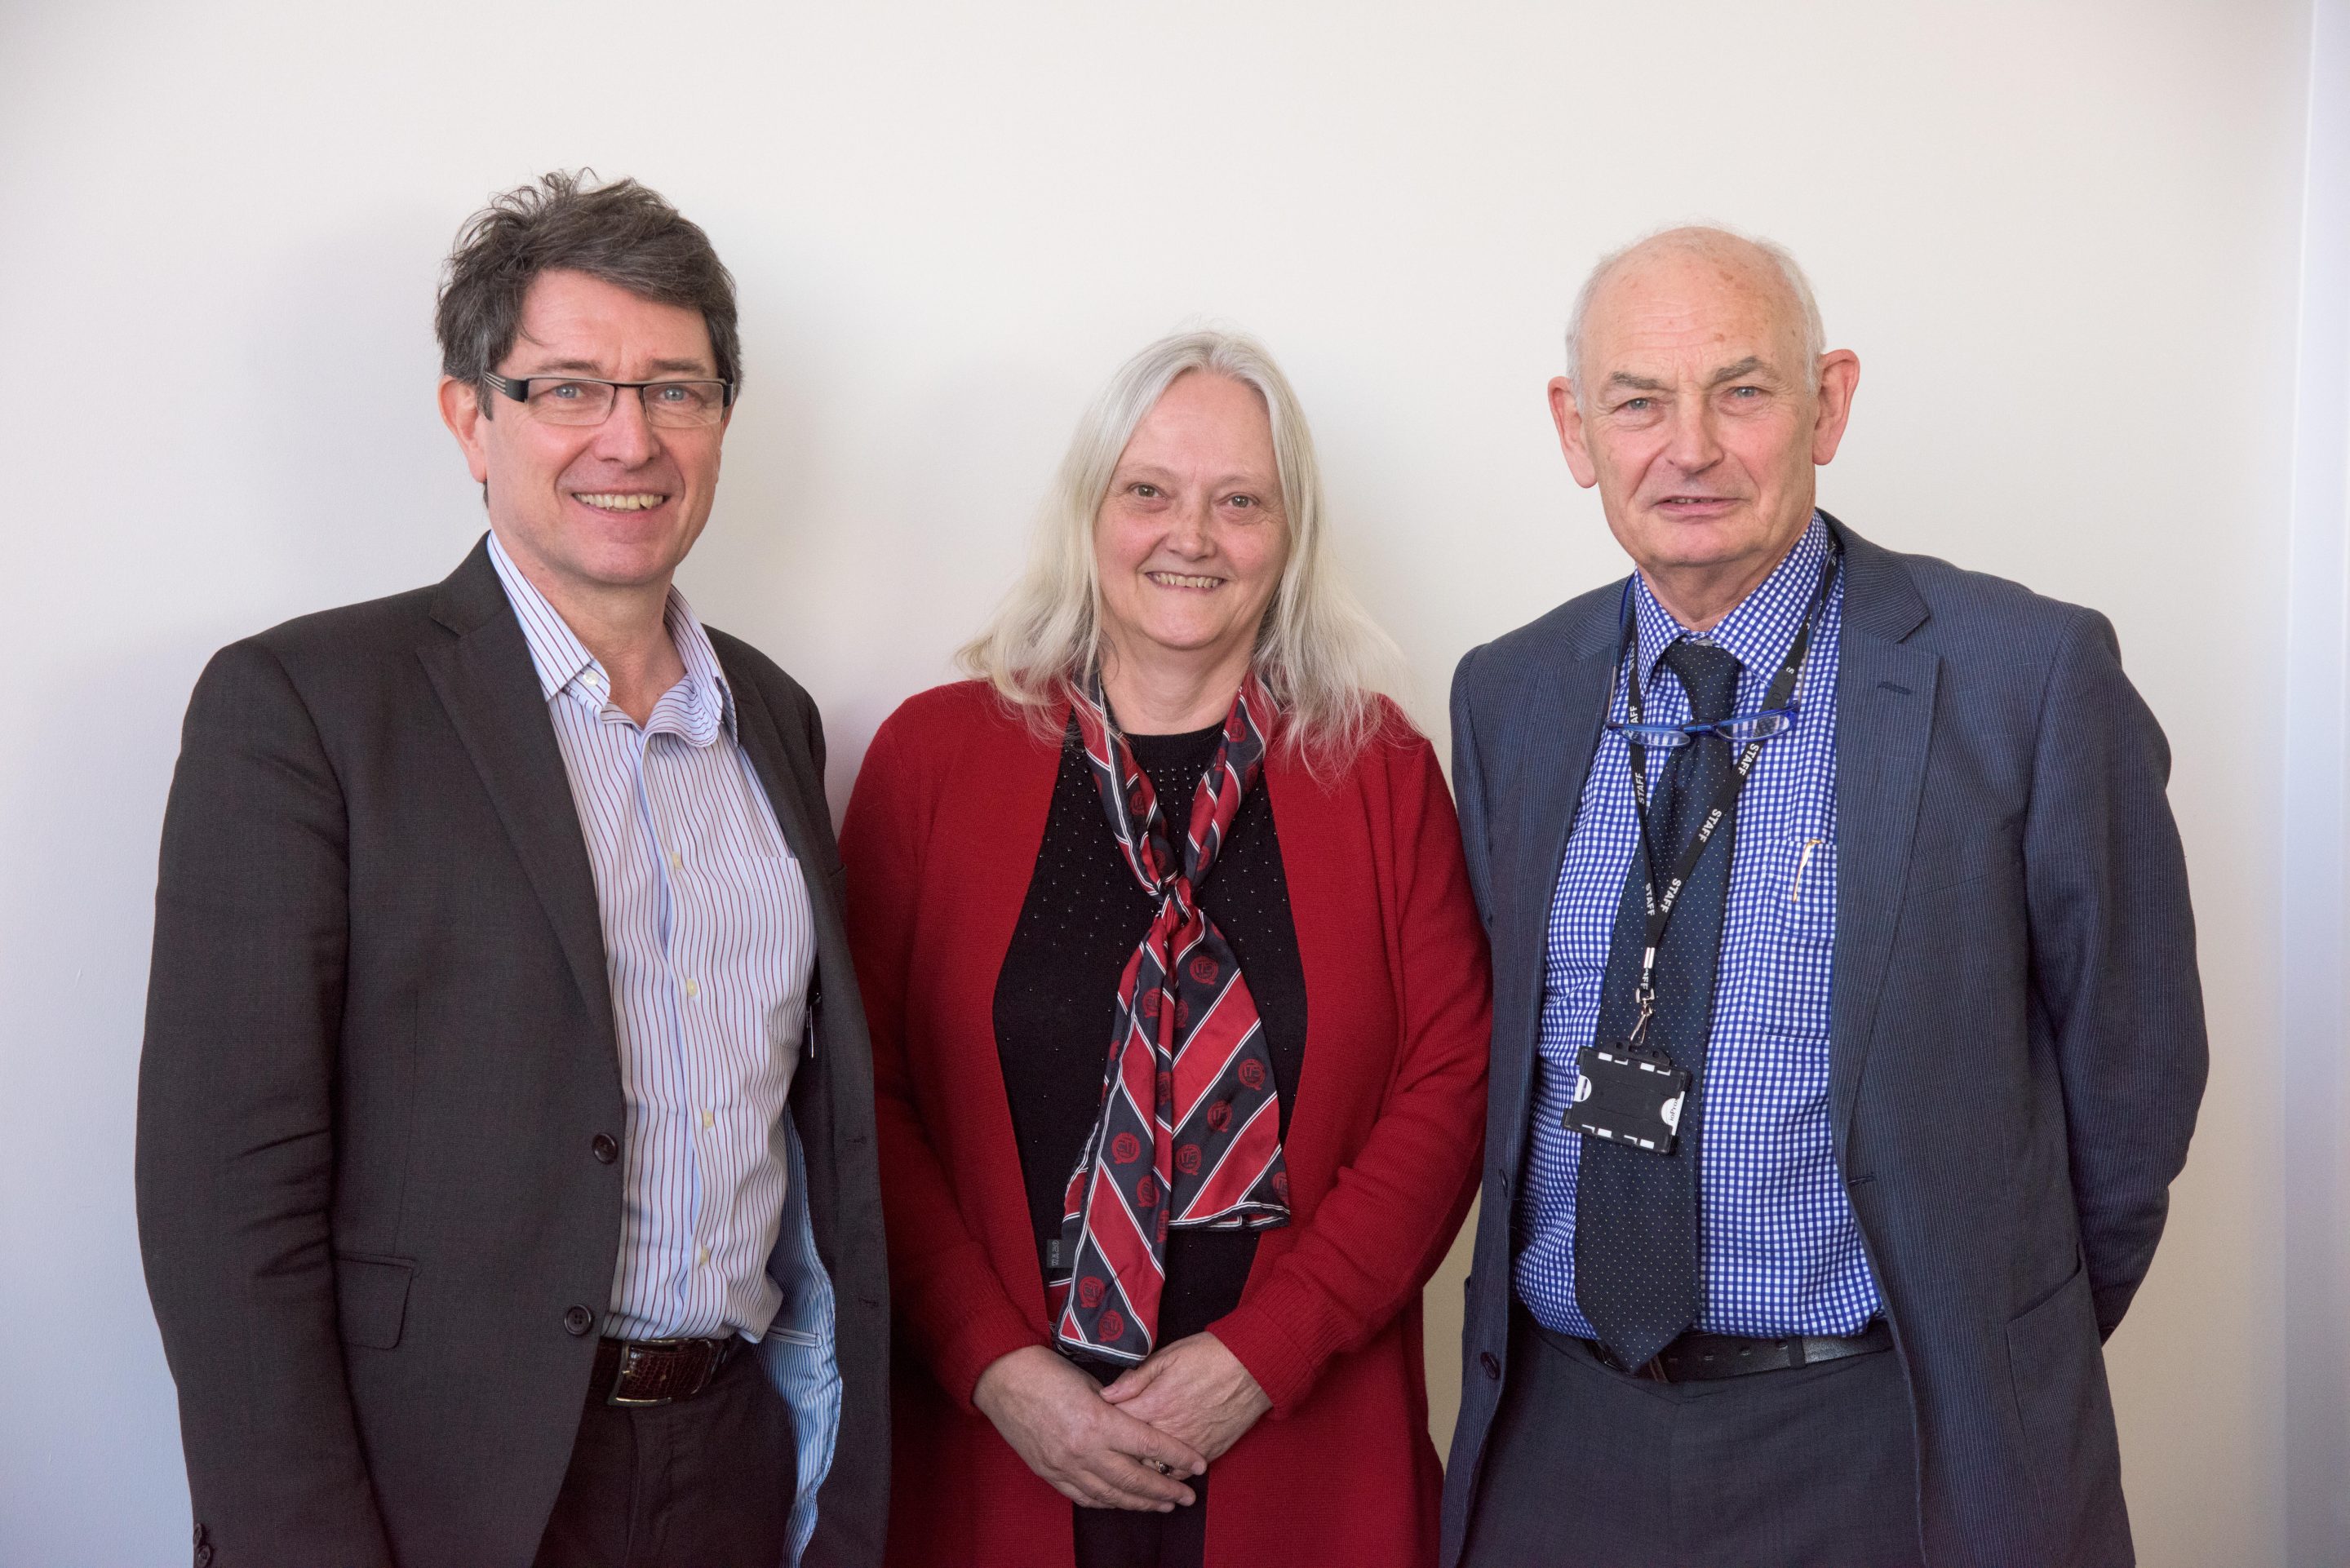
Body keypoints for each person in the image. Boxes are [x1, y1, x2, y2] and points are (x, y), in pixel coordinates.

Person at [135, 172, 887, 1568]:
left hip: (733, 1460)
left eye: (677, 388)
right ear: (469, 416)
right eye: (569, 388)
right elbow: (224, 1209)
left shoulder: (774, 720)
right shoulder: (306, 706)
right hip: (439, 1490)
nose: (631, 436)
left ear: (724, 419)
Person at [1439, 226, 2206, 1568]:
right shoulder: (1510, 694)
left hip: (1889, 1441)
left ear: (1828, 402)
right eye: (1637, 401)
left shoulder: (2025, 679)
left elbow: (2132, 1103)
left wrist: (1989, 1339)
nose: (1688, 447)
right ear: (1575, 429)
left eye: (1741, 390)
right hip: (1562, 1443)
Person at [840, 330, 1490, 1568]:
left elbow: (1450, 1086)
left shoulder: (1380, 771)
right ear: (1090, 513)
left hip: (1300, 1446)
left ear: (1288, 534)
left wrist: (1263, 1355)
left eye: (1239, 501)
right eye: (1149, 491)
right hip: (1000, 1449)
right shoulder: (933, 759)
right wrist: (993, 1363)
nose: (1191, 535)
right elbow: (862, 1099)